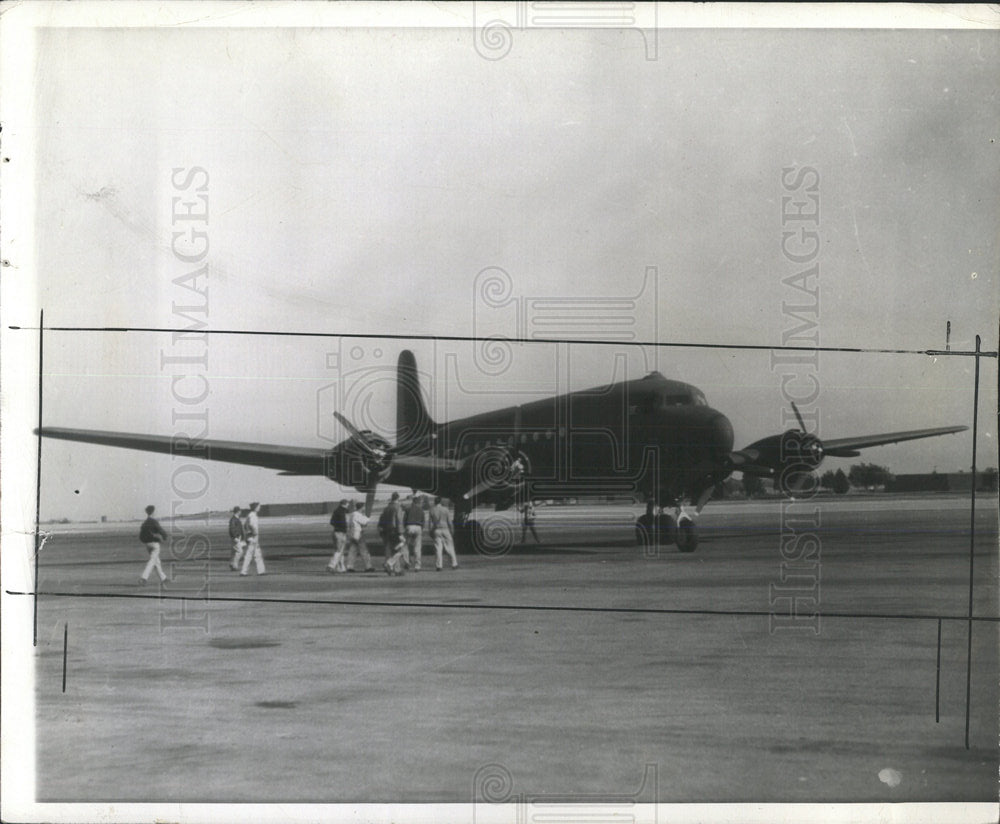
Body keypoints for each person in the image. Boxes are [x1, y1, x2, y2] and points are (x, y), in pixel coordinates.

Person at [138, 504, 169, 585]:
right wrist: (165, 537)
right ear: (153, 512)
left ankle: (163, 578)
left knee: (156, 561)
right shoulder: (154, 521)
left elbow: (141, 535)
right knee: (152, 561)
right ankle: (144, 578)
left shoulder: (145, 523)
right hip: (155, 544)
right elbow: (160, 530)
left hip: (147, 545)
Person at [378, 492, 406, 574]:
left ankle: (394, 569)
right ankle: (389, 564)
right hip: (395, 532)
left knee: (389, 550)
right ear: (398, 498)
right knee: (400, 550)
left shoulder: (386, 508)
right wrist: (401, 532)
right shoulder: (398, 508)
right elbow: (399, 521)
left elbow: (382, 520)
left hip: (387, 532)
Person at [429, 496, 458, 571]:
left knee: (438, 549)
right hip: (445, 529)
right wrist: (452, 530)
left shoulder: (432, 510)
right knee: (450, 547)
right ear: (440, 502)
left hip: (437, 529)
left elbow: (430, 523)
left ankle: (439, 566)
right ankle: (454, 564)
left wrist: (430, 532)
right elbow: (450, 522)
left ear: (435, 502)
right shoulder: (445, 509)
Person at [345, 500, 374, 572]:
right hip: (358, 534)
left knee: (352, 551)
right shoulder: (357, 515)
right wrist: (368, 517)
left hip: (351, 534)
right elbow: (365, 522)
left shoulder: (351, 514)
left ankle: (349, 567)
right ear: (361, 508)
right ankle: (368, 566)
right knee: (364, 550)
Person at [239, 502, 266, 576]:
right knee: (250, 554)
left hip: (251, 537)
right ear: (255, 507)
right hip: (253, 538)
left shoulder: (250, 515)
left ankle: (261, 571)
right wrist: (254, 533)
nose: (259, 508)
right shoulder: (252, 516)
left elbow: (245, 525)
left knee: (257, 554)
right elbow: (251, 525)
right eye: (258, 506)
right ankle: (244, 571)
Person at [402, 495, 428, 571]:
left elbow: (404, 520)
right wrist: (421, 528)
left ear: (413, 502)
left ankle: (407, 563)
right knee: (417, 547)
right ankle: (417, 566)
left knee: (405, 546)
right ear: (418, 502)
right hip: (418, 527)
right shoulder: (421, 510)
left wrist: (405, 528)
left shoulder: (408, 509)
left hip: (409, 526)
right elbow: (423, 521)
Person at [327, 499, 349, 573]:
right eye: (347, 504)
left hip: (336, 532)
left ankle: (341, 568)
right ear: (345, 504)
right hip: (341, 533)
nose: (348, 505)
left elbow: (332, 522)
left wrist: (337, 526)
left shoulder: (336, 511)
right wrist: (344, 528)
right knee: (339, 550)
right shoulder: (342, 512)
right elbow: (343, 523)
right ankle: (331, 565)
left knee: (340, 551)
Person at [228, 506, 246, 571]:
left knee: (234, 552)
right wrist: (235, 537)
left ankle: (231, 563)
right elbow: (231, 529)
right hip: (236, 538)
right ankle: (234, 565)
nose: (241, 512)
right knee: (240, 552)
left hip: (237, 537)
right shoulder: (234, 519)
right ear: (238, 511)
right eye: (240, 511)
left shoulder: (236, 519)